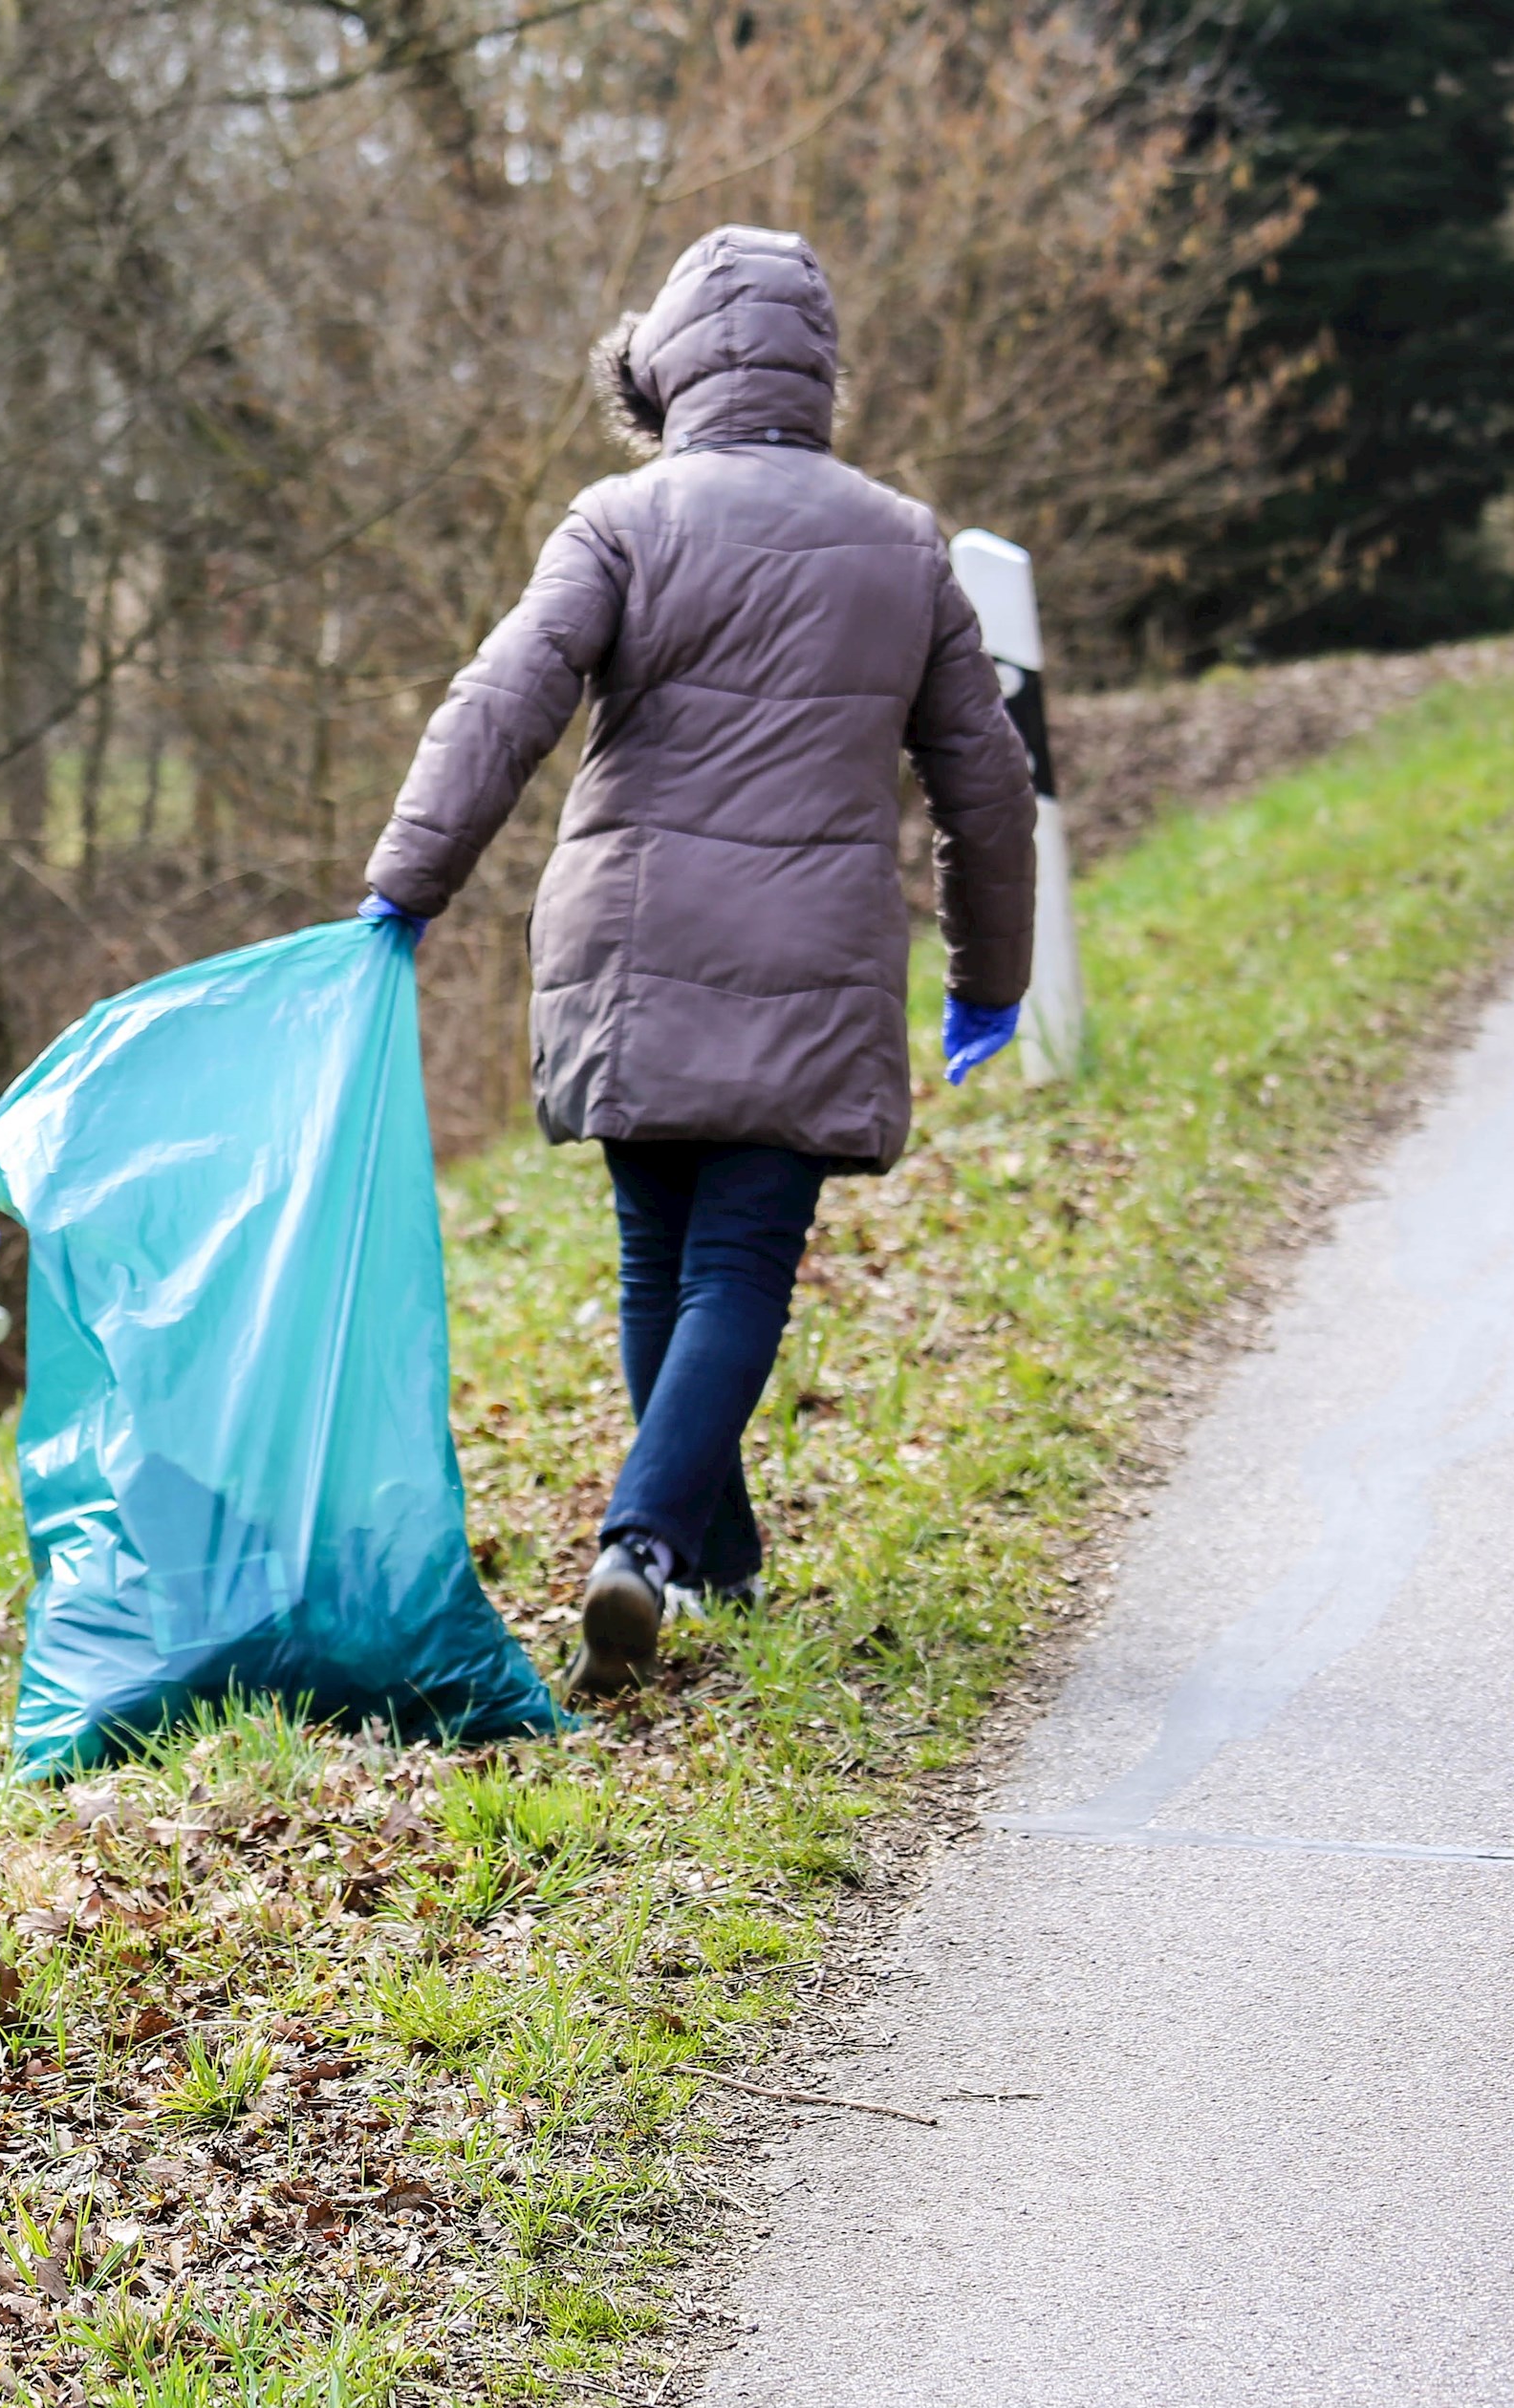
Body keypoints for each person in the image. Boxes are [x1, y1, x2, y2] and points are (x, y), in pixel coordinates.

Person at [355, 226, 1036, 1702]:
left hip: (631, 941)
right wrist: (992, 972)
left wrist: (407, 883)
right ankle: (652, 1540)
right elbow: (984, 778)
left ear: (663, 366)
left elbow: (502, 703)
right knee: (735, 1261)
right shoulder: (900, 541)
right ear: (819, 371)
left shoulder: (618, 519)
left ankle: (710, 1557)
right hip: (809, 955)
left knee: (658, 1249)